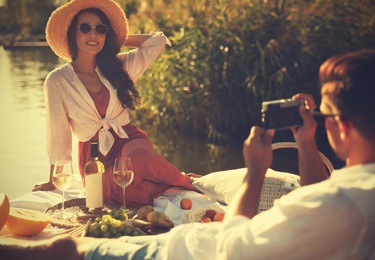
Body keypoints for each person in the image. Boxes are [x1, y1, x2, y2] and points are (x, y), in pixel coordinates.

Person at [3, 50, 375, 259]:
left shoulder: (344, 204)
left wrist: (255, 173)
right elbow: (316, 194)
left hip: (187, 253)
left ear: (341, 125)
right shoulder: (356, 191)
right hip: (186, 242)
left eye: (324, 115)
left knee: (67, 250)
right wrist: (307, 143)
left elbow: (233, 248)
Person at [31, 0, 199, 207]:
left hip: (128, 140)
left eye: (100, 29)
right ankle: (158, 183)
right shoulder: (57, 80)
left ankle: (186, 181)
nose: (93, 35)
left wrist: (114, 39)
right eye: (85, 28)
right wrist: (52, 179)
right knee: (113, 192)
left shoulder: (119, 65)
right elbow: (58, 134)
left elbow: (157, 42)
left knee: (139, 162)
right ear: (72, 33)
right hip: (93, 157)